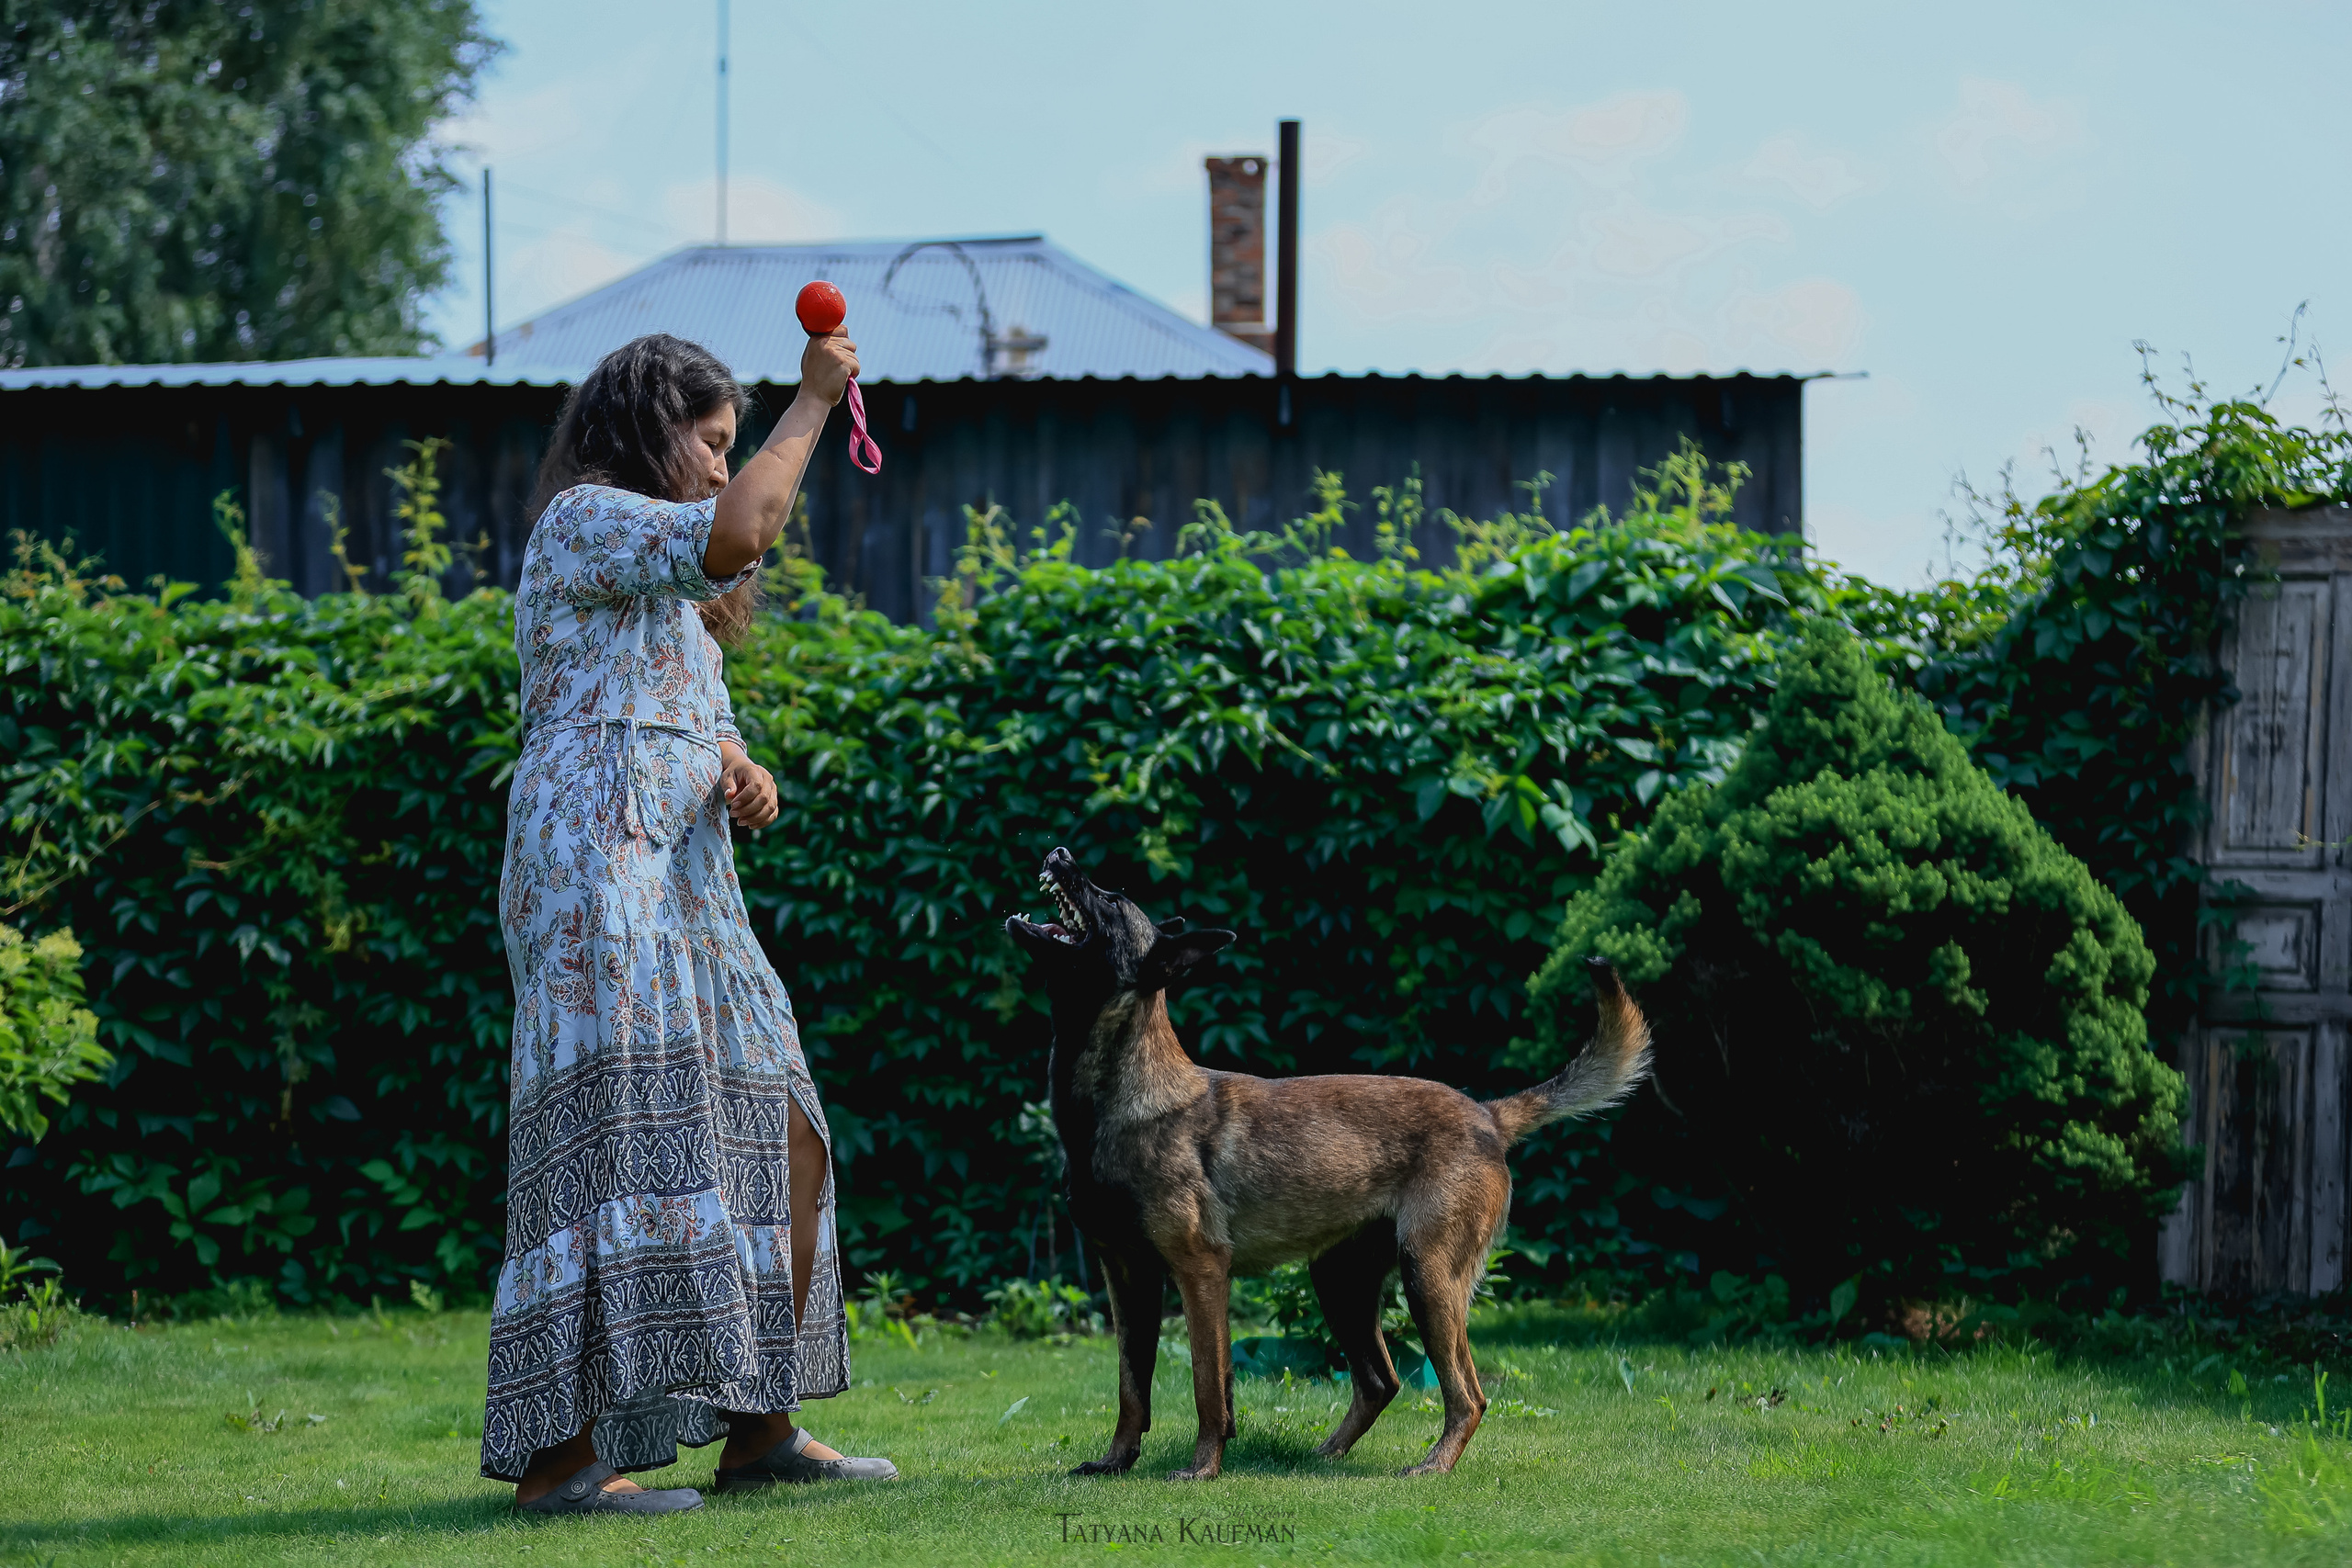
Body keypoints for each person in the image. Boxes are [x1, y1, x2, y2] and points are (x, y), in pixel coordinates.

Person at [481, 329, 896, 1513]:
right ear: (645, 429)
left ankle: (758, 1425)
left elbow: (685, 711)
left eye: (733, 446)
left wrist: (738, 767)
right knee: (617, 1138)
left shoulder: (673, 604)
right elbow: (743, 531)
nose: (724, 466)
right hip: (595, 865)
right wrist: (816, 401)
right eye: (709, 442)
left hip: (687, 872)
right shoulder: (587, 517)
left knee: (781, 1119)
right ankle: (561, 1467)